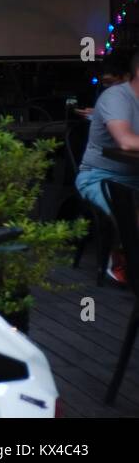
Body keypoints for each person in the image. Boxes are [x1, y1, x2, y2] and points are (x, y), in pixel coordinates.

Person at [74, 47, 139, 285]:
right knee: (132, 216)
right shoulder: (116, 97)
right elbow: (126, 140)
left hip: (134, 176)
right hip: (102, 176)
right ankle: (121, 261)